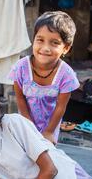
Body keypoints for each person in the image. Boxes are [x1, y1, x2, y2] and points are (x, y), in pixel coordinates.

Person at [9, 11, 80, 144]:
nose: (45, 48)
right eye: (40, 40)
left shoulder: (66, 75)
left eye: (54, 43)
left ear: (66, 48)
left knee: (46, 156)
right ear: (34, 39)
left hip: (50, 125)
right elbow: (20, 98)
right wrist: (28, 125)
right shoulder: (21, 68)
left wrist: (49, 132)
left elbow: (60, 107)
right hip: (25, 121)